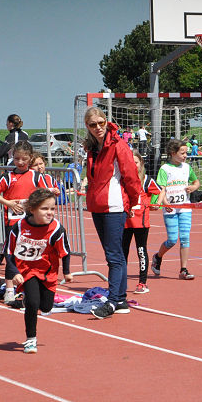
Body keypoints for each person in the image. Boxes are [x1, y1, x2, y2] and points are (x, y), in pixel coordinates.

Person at [82, 107, 142, 319]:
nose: (98, 127)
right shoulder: (92, 148)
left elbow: (131, 176)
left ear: (106, 121)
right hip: (97, 206)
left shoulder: (118, 145)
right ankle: (121, 299)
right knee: (115, 255)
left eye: (101, 123)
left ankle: (113, 300)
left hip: (114, 206)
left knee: (114, 256)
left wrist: (133, 202)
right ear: (87, 127)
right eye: (93, 125)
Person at [5, 189, 72, 354]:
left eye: (52, 209)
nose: (49, 212)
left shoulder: (56, 229)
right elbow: (8, 252)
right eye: (44, 209)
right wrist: (15, 272)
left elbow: (65, 252)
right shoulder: (19, 227)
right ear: (32, 209)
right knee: (33, 303)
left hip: (48, 272)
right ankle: (30, 339)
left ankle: (27, 301)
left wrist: (67, 272)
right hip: (27, 270)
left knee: (46, 307)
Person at [0, 141, 53, 303]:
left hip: (31, 222)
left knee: (31, 255)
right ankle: (9, 289)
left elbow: (45, 194)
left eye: (24, 159)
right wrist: (9, 203)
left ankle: (30, 288)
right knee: (11, 255)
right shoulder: (7, 176)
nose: (20, 162)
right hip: (12, 222)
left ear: (30, 158)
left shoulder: (36, 176)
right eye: (17, 158)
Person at [151, 139, 198, 281]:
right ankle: (158, 256)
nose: (185, 156)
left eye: (186, 153)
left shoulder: (187, 167)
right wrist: (165, 203)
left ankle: (183, 269)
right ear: (173, 153)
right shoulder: (165, 169)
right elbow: (162, 188)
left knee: (185, 238)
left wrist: (193, 187)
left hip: (185, 208)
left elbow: (196, 182)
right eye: (182, 153)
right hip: (170, 209)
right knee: (172, 240)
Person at [123, 153, 161, 295]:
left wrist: (158, 203)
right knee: (123, 252)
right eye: (131, 162)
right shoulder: (124, 179)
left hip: (141, 222)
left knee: (141, 251)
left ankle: (142, 282)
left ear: (141, 163)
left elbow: (161, 190)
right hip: (126, 222)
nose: (134, 165)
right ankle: (120, 282)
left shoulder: (146, 180)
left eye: (136, 162)